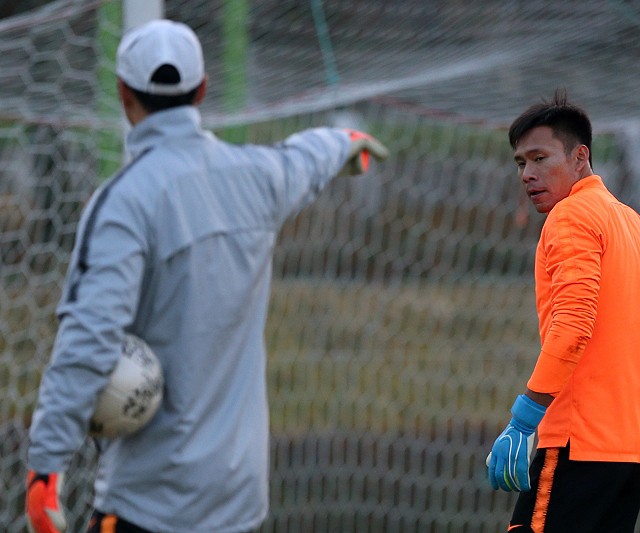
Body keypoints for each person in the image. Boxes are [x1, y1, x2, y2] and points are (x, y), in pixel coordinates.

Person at [25, 19, 388, 533]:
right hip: (238, 499)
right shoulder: (258, 176)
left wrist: (46, 465)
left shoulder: (123, 202)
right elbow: (303, 158)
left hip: (148, 503)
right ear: (201, 90)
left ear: (124, 93)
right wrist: (346, 142)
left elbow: (87, 336)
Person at [486, 89, 640, 532]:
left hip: (578, 446)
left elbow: (574, 323)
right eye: (521, 163)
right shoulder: (637, 227)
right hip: (630, 459)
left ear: (580, 157)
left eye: (540, 158)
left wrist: (523, 421)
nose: (528, 174)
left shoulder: (571, 216)